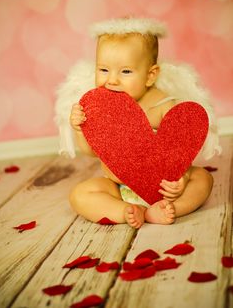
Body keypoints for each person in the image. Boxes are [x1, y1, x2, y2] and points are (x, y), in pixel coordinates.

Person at [56, 17, 220, 229]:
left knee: (203, 179)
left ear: (150, 75)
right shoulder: (98, 108)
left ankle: (171, 209)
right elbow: (91, 151)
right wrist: (79, 128)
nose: (112, 80)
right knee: (80, 194)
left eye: (125, 71)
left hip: (163, 189)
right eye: (103, 70)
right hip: (118, 186)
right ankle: (126, 211)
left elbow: (181, 149)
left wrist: (182, 178)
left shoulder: (163, 105)